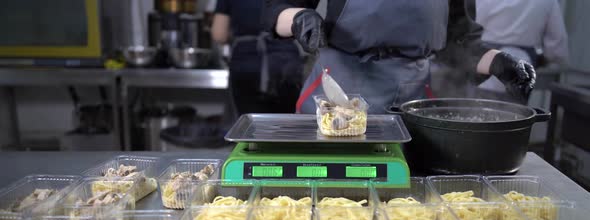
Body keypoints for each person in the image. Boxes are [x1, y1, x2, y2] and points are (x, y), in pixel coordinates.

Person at [263, 0, 537, 113]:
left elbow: (459, 43)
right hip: (336, 92)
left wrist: (501, 62)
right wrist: (299, 18)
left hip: (412, 100)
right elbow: (276, 9)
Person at [212, 0, 305, 115]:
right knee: (286, 124)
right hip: (286, 64)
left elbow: (219, 34)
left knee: (249, 125)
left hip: (246, 64)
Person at [476, 0, 569, 102]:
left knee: (473, 113)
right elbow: (557, 44)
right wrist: (546, 59)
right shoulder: (548, 2)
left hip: (485, 70)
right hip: (522, 75)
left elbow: (471, 27)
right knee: (515, 115)